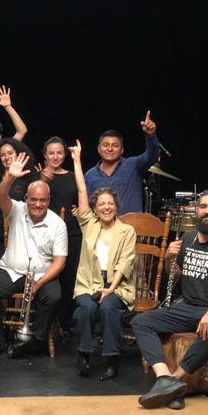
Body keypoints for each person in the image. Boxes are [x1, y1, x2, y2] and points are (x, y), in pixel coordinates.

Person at [132, 189, 208, 410]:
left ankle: (175, 379)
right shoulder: (188, 237)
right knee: (141, 322)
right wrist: (168, 258)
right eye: (203, 206)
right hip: (188, 306)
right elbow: (176, 276)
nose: (207, 211)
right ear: (196, 210)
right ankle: (164, 378)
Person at [0, 152, 68, 360]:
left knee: (54, 297)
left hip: (42, 275)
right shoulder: (17, 210)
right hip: (12, 272)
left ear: (49, 201)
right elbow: (0, 195)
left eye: (42, 200)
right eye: (33, 199)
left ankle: (34, 340)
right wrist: (10, 176)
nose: (37, 204)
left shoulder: (58, 224)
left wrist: (39, 282)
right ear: (26, 198)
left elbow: (60, 262)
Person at [68, 140, 136, 379]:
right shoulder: (89, 224)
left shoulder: (126, 231)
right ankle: (84, 355)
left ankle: (112, 359)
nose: (106, 207)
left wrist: (111, 289)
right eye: (101, 204)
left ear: (116, 207)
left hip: (116, 284)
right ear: (94, 209)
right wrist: (77, 161)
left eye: (110, 204)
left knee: (108, 308)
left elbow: (125, 262)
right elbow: (82, 191)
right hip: (89, 283)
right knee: (85, 309)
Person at [30, 137, 80, 330]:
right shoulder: (37, 176)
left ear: (65, 155)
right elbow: (28, 201)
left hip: (71, 232)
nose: (55, 156)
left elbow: (82, 198)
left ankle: (65, 323)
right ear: (45, 155)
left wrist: (78, 210)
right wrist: (41, 179)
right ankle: (42, 323)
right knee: (45, 276)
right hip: (43, 234)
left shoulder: (72, 175)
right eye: (51, 153)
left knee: (69, 278)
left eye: (59, 152)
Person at [83, 110, 160, 214]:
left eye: (115, 145)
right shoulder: (90, 175)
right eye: (105, 145)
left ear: (122, 150)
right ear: (98, 149)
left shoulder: (133, 165)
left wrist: (150, 135)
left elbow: (152, 156)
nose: (110, 149)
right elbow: (88, 206)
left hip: (132, 223)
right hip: (102, 224)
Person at [0, 138, 35, 275]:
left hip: (21, 233)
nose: (7, 157)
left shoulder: (28, 176)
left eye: (10, 153)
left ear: (17, 154)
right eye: (2, 155)